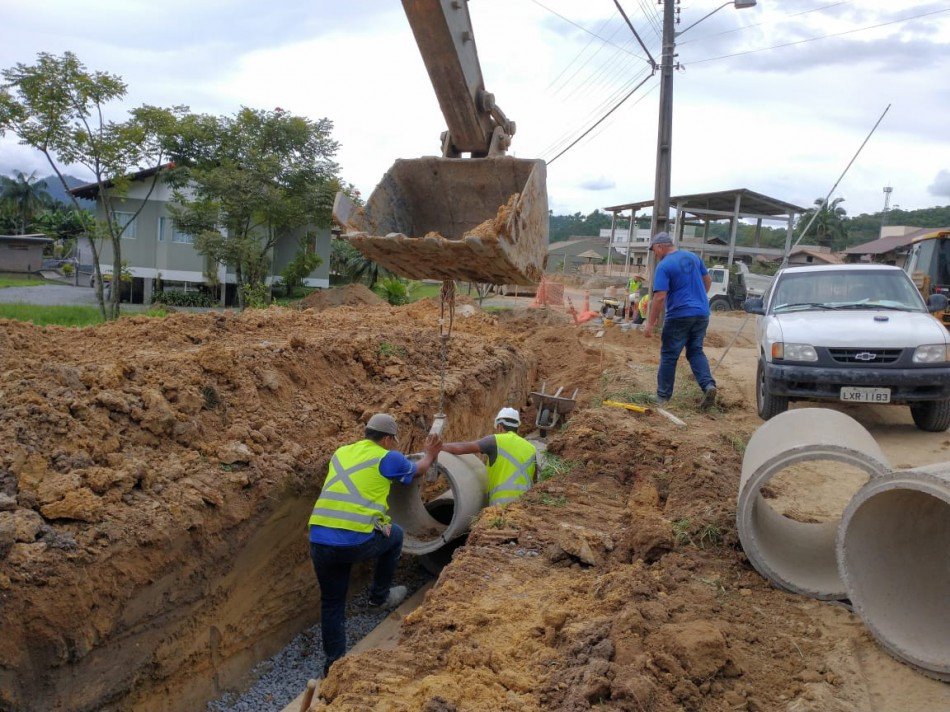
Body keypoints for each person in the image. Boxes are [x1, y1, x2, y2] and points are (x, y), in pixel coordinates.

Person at [308, 413, 442, 677]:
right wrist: (430, 454)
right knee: (396, 536)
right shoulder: (387, 457)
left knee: (332, 601)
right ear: (387, 439)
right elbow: (418, 470)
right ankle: (379, 597)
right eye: (393, 441)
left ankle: (333, 664)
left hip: (319, 538)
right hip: (355, 540)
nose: (393, 445)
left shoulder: (341, 452)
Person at [643, 232, 717, 408]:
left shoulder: (664, 266)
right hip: (701, 313)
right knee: (695, 351)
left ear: (660, 246)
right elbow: (707, 281)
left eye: (654, 250)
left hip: (679, 315)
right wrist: (698, 299)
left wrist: (650, 323)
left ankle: (662, 397)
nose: (655, 254)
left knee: (669, 355)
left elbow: (660, 297)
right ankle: (708, 385)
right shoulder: (693, 257)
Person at [442, 407, 537, 506]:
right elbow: (535, 483)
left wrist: (440, 447)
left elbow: (462, 448)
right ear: (517, 427)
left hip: (500, 506)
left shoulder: (495, 441)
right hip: (524, 506)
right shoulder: (531, 448)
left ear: (499, 426)